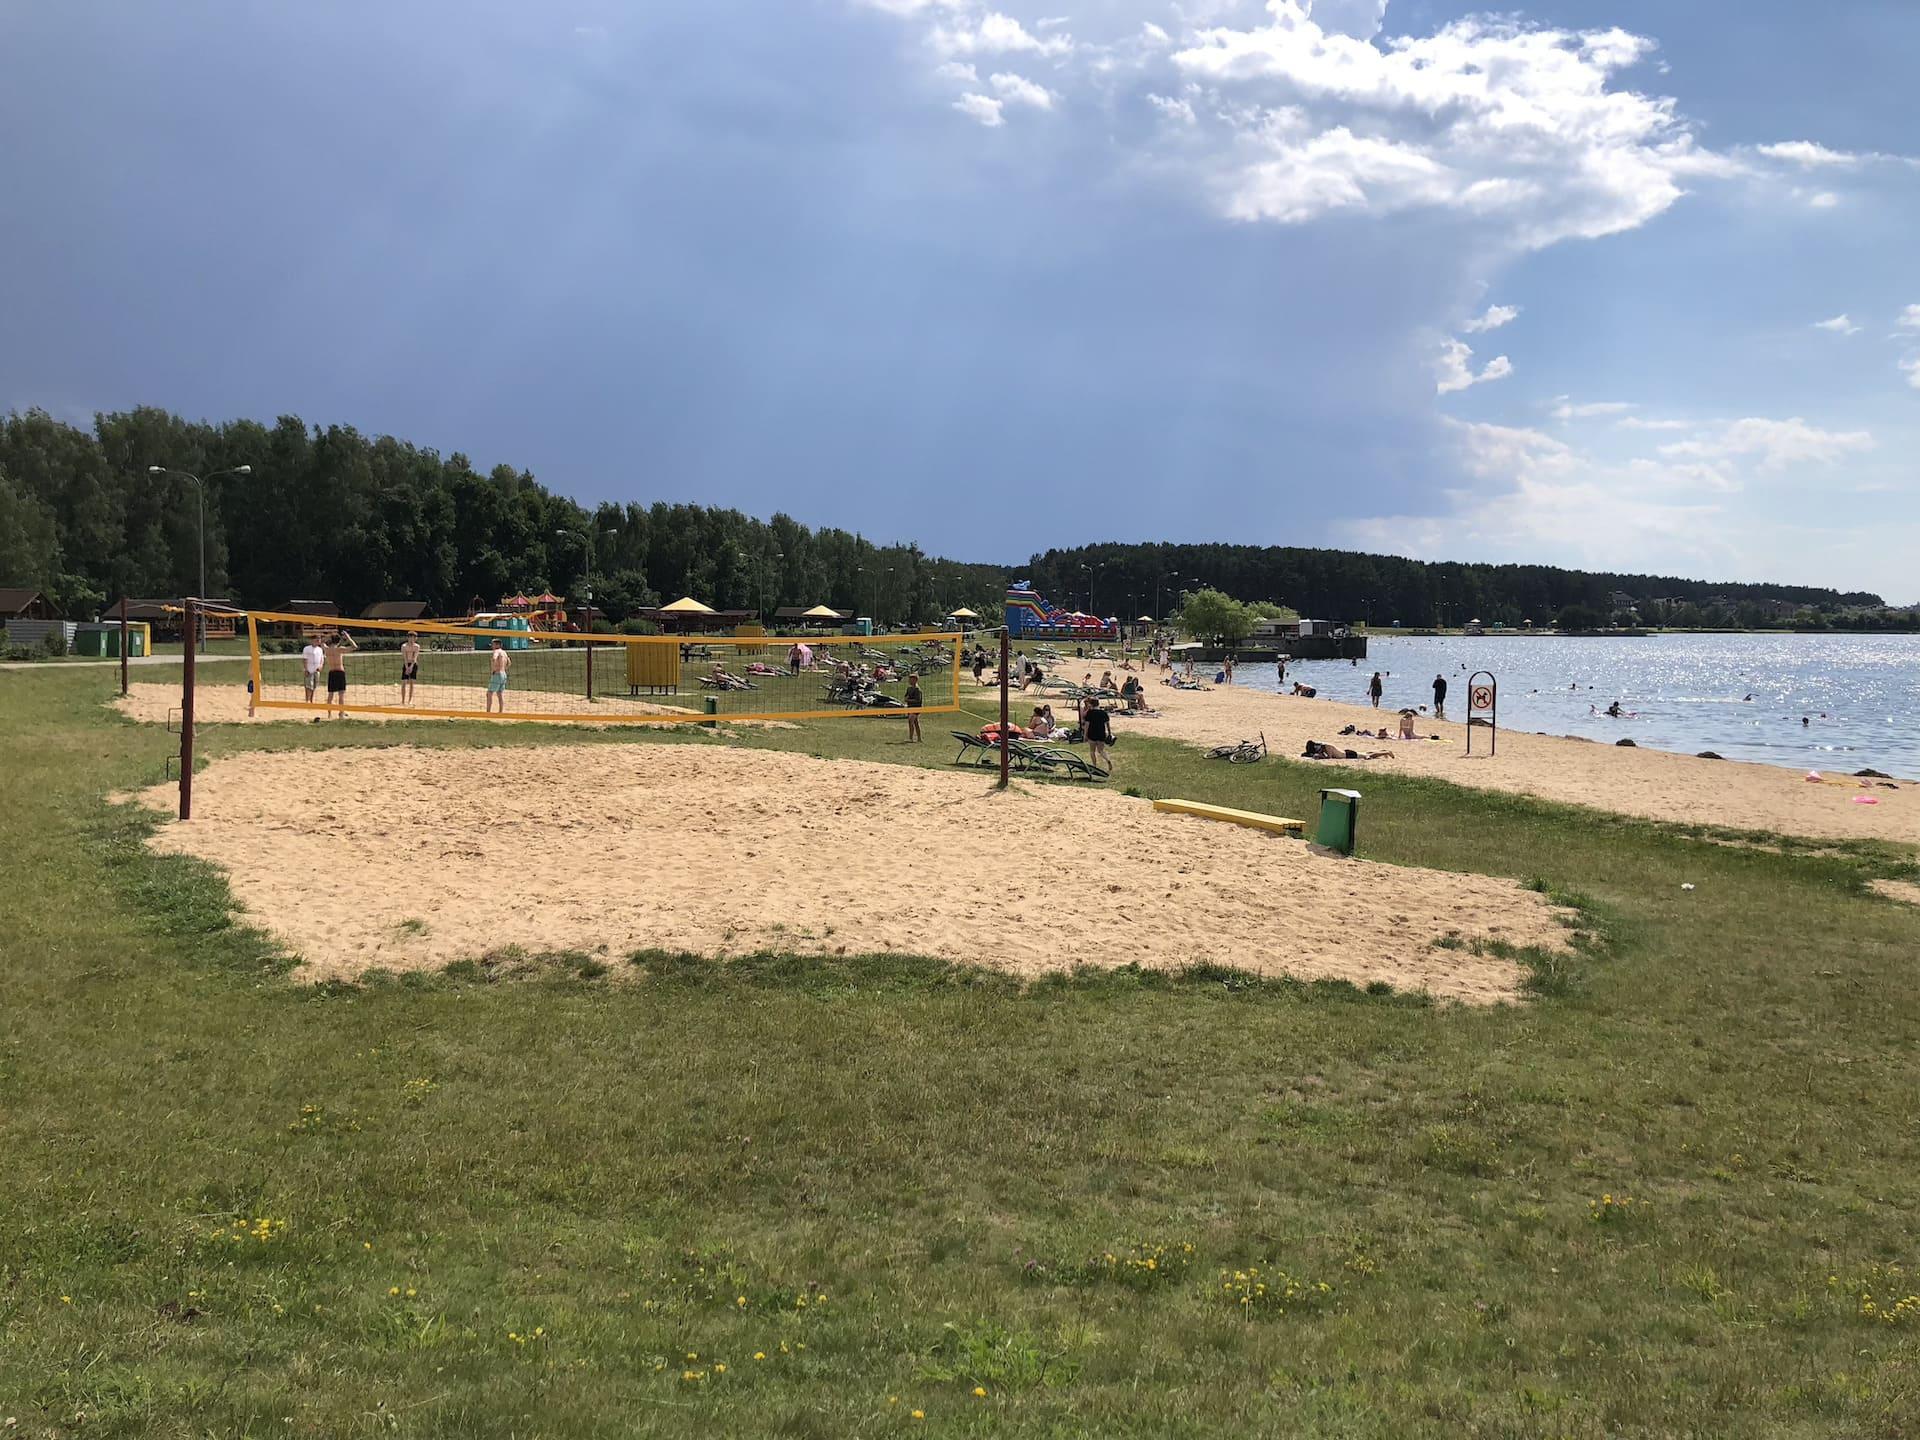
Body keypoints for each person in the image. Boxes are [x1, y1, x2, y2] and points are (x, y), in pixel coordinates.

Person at [322, 629, 357, 719]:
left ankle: (329, 714)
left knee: (330, 695)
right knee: (341, 695)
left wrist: (327, 636)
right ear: (338, 641)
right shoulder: (339, 649)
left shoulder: (326, 650)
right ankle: (341, 713)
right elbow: (354, 647)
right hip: (340, 672)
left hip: (332, 673)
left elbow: (322, 642)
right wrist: (348, 637)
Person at [1083, 696, 1114, 773]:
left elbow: (1087, 725)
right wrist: (1110, 733)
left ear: (1091, 704)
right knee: (1101, 750)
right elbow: (1107, 724)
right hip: (1101, 733)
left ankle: (1094, 766)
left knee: (1092, 751)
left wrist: (1085, 735)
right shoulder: (1103, 713)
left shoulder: (1089, 713)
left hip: (1092, 733)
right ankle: (1108, 760)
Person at [486, 637, 511, 713]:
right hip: (503, 674)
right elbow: (509, 663)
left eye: (493, 644)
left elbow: (494, 658)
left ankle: (488, 712)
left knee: (489, 693)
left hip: (497, 674)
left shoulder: (496, 651)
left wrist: (494, 668)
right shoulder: (504, 652)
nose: (491, 646)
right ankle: (500, 711)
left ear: (497, 645)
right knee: (499, 693)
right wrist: (503, 668)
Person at [301, 635, 326, 703]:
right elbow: (304, 659)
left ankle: (311, 700)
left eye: (319, 639)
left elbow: (322, 659)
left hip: (316, 671)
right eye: (317, 639)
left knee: (314, 686)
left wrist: (321, 666)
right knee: (308, 686)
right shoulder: (307, 648)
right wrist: (306, 669)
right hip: (309, 670)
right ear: (312, 640)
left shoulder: (320, 649)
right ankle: (307, 700)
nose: (318, 640)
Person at [400, 632, 421, 706]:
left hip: (414, 665)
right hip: (406, 664)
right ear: (408, 638)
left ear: (416, 638)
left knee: (412, 683)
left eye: (414, 638)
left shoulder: (417, 646)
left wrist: (411, 667)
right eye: (410, 637)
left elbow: (414, 658)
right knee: (404, 683)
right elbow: (405, 658)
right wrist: (406, 667)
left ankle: (410, 700)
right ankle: (402, 701)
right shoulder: (404, 646)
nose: (412, 639)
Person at [904, 674, 923, 742]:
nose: (909, 681)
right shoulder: (909, 688)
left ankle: (911, 738)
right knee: (915, 722)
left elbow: (918, 700)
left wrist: (908, 700)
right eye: (909, 679)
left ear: (915, 680)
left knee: (910, 721)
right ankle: (919, 738)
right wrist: (906, 699)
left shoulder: (917, 689)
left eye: (911, 679)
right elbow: (906, 696)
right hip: (910, 707)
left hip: (916, 708)